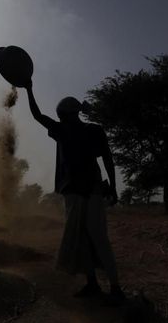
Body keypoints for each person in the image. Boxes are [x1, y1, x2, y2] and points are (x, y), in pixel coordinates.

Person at [23, 81, 125, 304]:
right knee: (93, 238)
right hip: (94, 189)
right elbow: (108, 158)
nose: (59, 118)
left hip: (77, 191)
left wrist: (29, 89)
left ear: (67, 115)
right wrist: (114, 186)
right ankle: (101, 285)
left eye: (60, 115)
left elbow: (37, 115)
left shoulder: (63, 130)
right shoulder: (94, 129)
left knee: (90, 238)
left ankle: (112, 287)